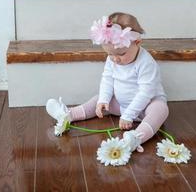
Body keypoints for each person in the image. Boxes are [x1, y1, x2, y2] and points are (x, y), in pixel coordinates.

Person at [46, 12, 169, 152]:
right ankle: (68, 115)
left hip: (146, 106)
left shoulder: (146, 63)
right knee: (97, 99)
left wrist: (129, 115)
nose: (115, 59)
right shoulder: (113, 59)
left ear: (137, 42)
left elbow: (146, 93)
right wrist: (104, 99)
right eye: (110, 54)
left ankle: (136, 138)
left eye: (121, 54)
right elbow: (107, 79)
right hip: (120, 105)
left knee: (161, 110)